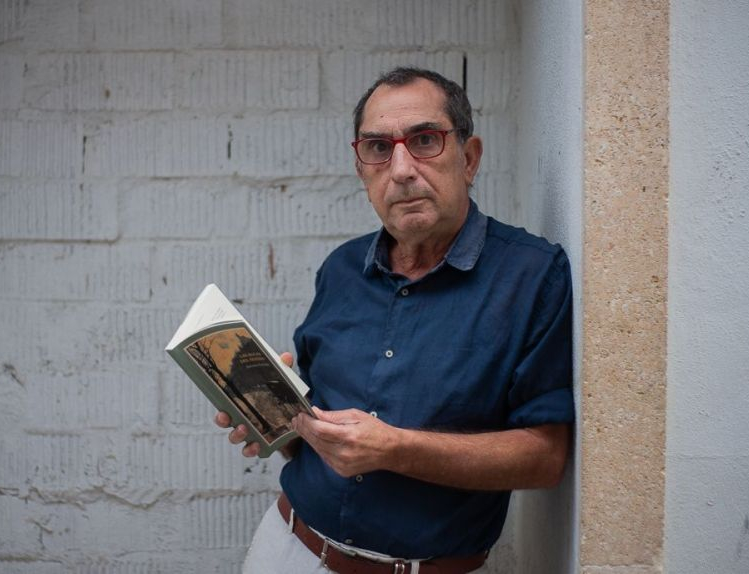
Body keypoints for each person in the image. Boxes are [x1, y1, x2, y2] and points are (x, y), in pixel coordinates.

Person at [216, 67, 574, 574]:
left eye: (424, 140)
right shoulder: (341, 269)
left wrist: (394, 448)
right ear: (362, 170)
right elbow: (314, 434)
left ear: (469, 158)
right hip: (287, 547)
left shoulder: (533, 275)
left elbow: (544, 458)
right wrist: (276, 420)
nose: (401, 169)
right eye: (379, 148)